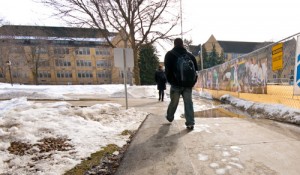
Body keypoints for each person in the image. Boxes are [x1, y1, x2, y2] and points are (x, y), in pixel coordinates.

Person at [164, 38, 198, 130]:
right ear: (183, 44)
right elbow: (196, 71)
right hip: (188, 85)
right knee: (188, 103)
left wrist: (171, 81)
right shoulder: (190, 56)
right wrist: (192, 82)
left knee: (174, 102)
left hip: (176, 84)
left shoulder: (169, 55)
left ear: (174, 44)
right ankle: (190, 123)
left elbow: (167, 71)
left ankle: (170, 117)